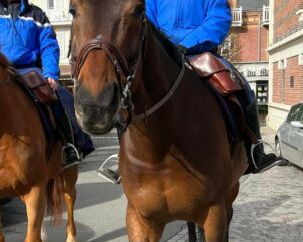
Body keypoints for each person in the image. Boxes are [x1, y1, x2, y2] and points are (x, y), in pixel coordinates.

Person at [97, 0, 280, 183]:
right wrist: (164, 46)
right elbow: (145, 20)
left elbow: (219, 18)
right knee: (129, 91)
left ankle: (255, 149)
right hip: (160, 55)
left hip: (199, 51)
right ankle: (123, 159)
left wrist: (188, 44)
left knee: (239, 85)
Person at [0, 0, 93, 168]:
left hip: (29, 70)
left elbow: (48, 45)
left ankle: (71, 145)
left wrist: (50, 73)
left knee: (60, 98)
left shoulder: (37, 14)